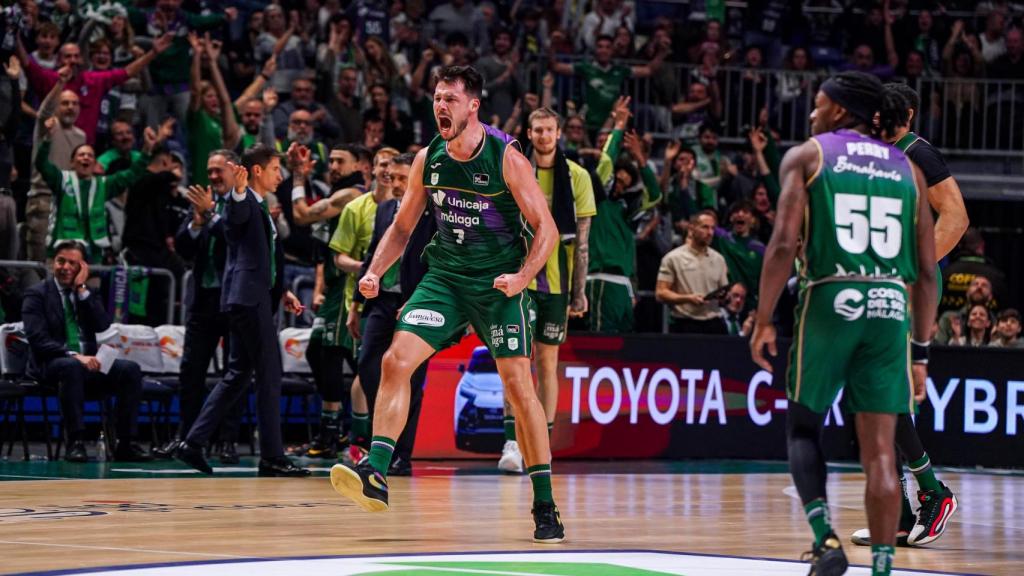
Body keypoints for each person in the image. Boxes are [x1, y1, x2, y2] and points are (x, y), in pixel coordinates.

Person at [329, 65, 564, 543]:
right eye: (436, 98)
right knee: (396, 361)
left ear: (473, 105)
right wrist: (374, 271)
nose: (441, 106)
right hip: (446, 279)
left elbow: (548, 230)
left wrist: (522, 277)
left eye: (450, 99)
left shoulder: (506, 157)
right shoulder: (427, 157)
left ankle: (545, 504)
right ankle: (376, 471)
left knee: (520, 390)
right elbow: (401, 226)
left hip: (499, 284)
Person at [750, 71, 937, 576]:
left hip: (833, 295)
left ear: (838, 109)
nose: (812, 113)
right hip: (889, 307)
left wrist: (764, 318)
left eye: (818, 104)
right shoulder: (909, 169)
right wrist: (919, 351)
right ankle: (880, 567)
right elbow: (926, 272)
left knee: (804, 426)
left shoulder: (809, 155)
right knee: (880, 451)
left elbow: (784, 245)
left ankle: (825, 538)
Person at [848, 82, 967, 549]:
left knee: (884, 392)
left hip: (907, 285)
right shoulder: (869, 156)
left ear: (909, 114)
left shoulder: (918, 151)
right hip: (875, 284)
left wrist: (910, 270)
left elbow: (955, 218)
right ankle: (898, 510)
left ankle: (933, 494)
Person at [175, 144, 310, 477]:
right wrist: (237, 191)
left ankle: (192, 443)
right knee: (269, 374)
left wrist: (283, 292)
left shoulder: (261, 205)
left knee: (237, 375)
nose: (280, 175)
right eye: (277, 169)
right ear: (259, 171)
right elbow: (234, 226)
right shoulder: (245, 202)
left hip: (251, 297)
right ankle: (273, 457)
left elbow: (262, 255)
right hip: (248, 300)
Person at [499, 107, 596, 473]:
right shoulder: (515, 167)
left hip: (556, 282)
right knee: (514, 362)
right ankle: (512, 443)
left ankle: (543, 448)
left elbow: (582, 243)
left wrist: (579, 291)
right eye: (537, 130)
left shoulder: (578, 177)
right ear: (529, 132)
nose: (543, 136)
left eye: (549, 130)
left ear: (559, 134)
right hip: (519, 277)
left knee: (547, 363)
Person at [152, 150, 247, 462]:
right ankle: (187, 437)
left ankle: (229, 440)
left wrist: (208, 216)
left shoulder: (244, 203)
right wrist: (194, 223)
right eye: (210, 170)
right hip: (203, 301)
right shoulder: (203, 204)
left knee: (234, 372)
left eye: (219, 170)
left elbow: (236, 239)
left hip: (234, 300)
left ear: (235, 171)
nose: (214, 176)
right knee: (191, 371)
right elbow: (183, 248)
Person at [22, 240, 151, 463]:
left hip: (88, 364)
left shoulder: (87, 294)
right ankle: (76, 442)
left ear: (82, 268)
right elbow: (38, 341)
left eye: (73, 263)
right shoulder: (37, 294)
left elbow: (103, 326)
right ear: (53, 263)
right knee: (71, 367)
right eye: (61, 261)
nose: (65, 267)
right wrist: (76, 356)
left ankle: (125, 443)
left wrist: (82, 290)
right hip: (51, 364)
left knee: (130, 370)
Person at [350, 152, 434, 475]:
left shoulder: (433, 212)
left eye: (403, 178)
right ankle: (381, 440)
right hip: (382, 300)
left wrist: (418, 300)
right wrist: (356, 304)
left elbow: (436, 261)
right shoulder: (385, 210)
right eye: (393, 178)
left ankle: (402, 455)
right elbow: (374, 253)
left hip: (417, 301)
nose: (397, 184)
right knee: (368, 366)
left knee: (412, 377)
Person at [655, 211, 730, 334]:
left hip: (714, 322)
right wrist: (687, 298)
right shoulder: (673, 258)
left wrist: (724, 297)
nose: (710, 232)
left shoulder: (719, 259)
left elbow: (723, 291)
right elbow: (660, 293)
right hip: (685, 324)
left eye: (712, 228)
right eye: (705, 227)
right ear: (691, 228)